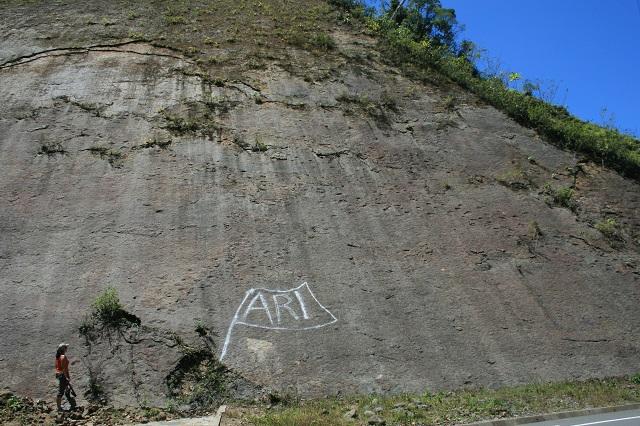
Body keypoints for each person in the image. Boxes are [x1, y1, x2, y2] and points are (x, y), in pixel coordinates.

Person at [55, 343, 76, 411]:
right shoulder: (63, 357)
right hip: (62, 375)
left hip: (59, 374)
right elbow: (64, 369)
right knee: (61, 391)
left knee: (66, 387)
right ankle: (59, 407)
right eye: (66, 347)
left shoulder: (59, 357)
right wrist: (67, 377)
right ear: (64, 349)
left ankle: (69, 400)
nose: (67, 348)